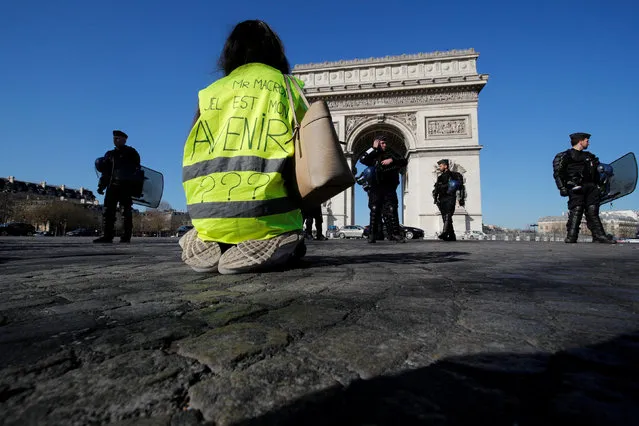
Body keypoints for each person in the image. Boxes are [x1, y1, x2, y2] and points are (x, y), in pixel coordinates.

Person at [180, 20, 307, 274]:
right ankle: (276, 237)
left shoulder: (209, 92)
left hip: (207, 214)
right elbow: (310, 152)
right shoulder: (289, 87)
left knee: (216, 224)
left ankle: (210, 237)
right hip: (270, 215)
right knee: (293, 235)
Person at [552, 132, 615, 244]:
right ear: (580, 141)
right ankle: (571, 236)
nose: (588, 143)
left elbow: (598, 172)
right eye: (587, 140)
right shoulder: (564, 156)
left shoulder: (589, 156)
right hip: (576, 186)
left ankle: (599, 236)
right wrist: (562, 188)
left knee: (593, 211)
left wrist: (601, 185)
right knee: (577, 210)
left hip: (591, 187)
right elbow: (558, 173)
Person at [94, 130, 142, 243]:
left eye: (118, 138)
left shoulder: (131, 153)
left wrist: (135, 186)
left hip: (126, 186)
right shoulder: (110, 154)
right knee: (108, 212)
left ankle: (126, 236)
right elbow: (106, 173)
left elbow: (137, 170)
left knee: (126, 212)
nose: (115, 140)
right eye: (114, 138)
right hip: (112, 186)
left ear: (125, 140)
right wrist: (101, 186)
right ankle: (107, 235)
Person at [359, 135, 408, 243]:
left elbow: (404, 161)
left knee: (392, 208)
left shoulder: (391, 152)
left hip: (389, 186)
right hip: (376, 186)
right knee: (375, 209)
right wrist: (373, 148)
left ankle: (395, 234)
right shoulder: (373, 153)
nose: (385, 145)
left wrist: (392, 159)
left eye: (385, 143)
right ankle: (372, 234)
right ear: (377, 143)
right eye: (382, 143)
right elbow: (362, 159)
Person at [432, 159, 465, 241]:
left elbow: (461, 187)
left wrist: (461, 198)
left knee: (448, 215)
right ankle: (452, 235)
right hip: (441, 198)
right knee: (445, 217)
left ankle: (445, 232)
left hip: (450, 197)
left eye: (441, 166)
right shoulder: (439, 177)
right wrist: (435, 198)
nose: (439, 167)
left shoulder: (454, 175)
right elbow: (436, 189)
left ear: (446, 166)